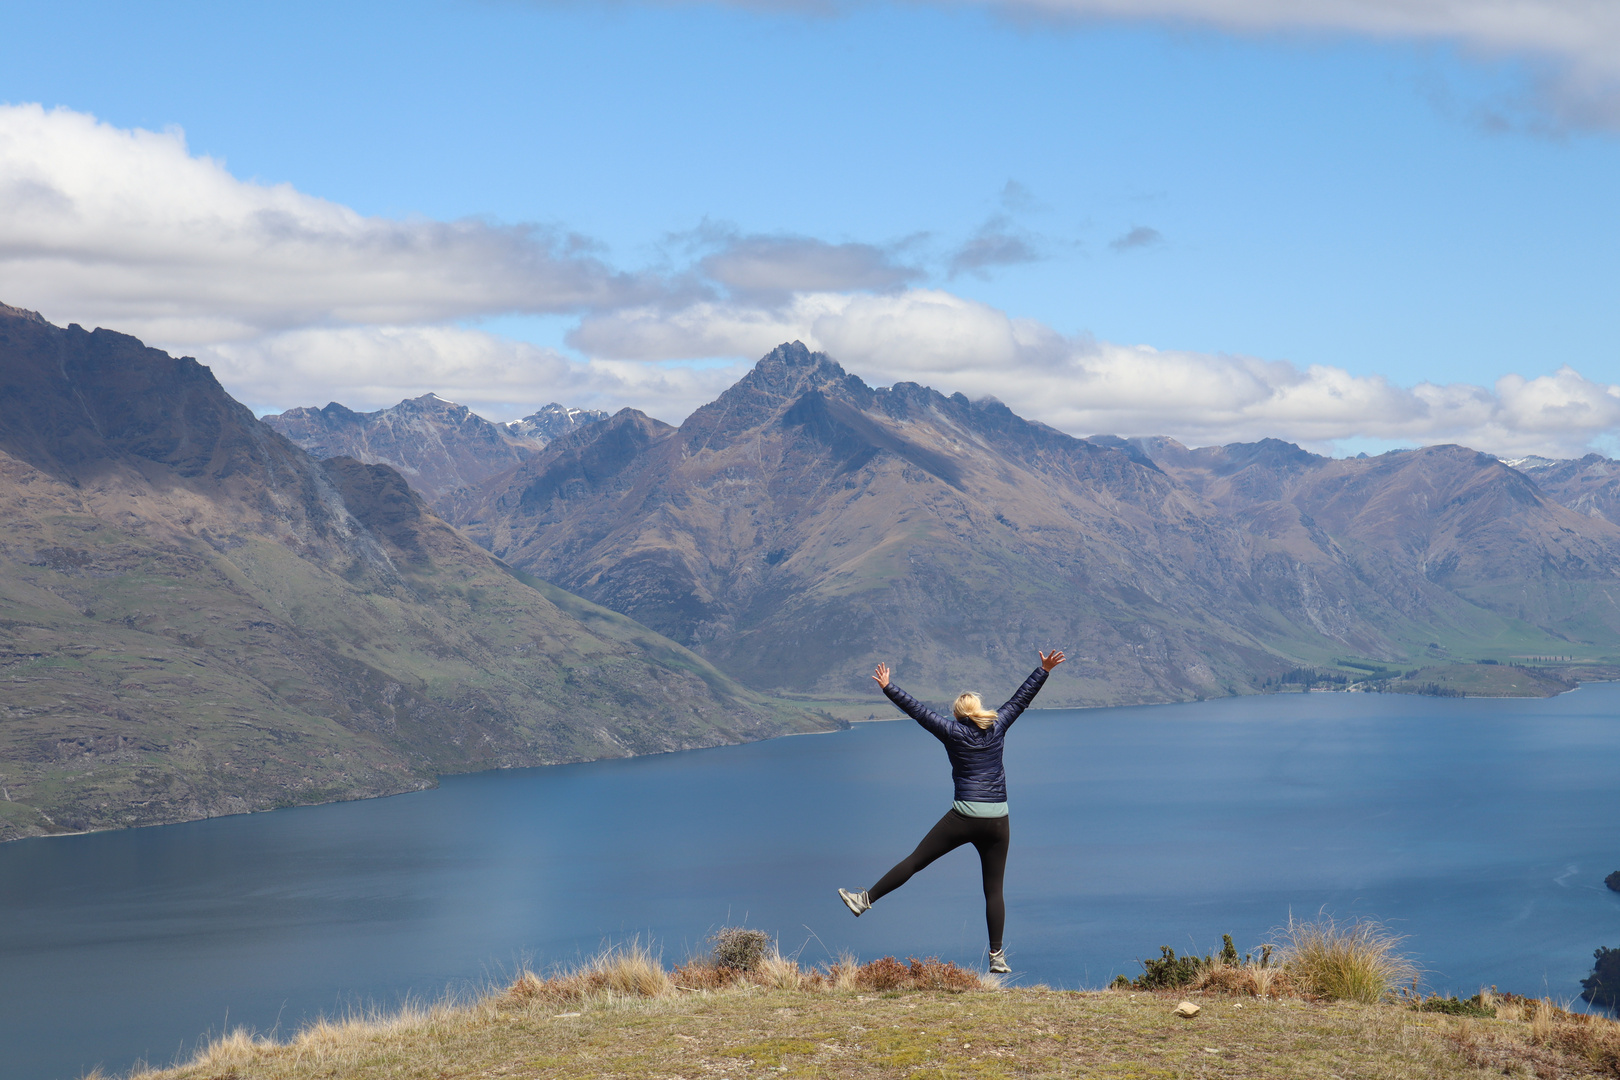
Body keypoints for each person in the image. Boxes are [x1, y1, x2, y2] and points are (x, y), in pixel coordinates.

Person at [837, 650, 1065, 974]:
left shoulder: (951, 731)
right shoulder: (998, 726)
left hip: (964, 817)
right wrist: (1043, 670)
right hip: (999, 820)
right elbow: (1020, 699)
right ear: (980, 711)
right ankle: (997, 956)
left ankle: (864, 901)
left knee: (915, 861)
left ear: (958, 716)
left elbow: (918, 712)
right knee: (994, 890)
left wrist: (888, 687)